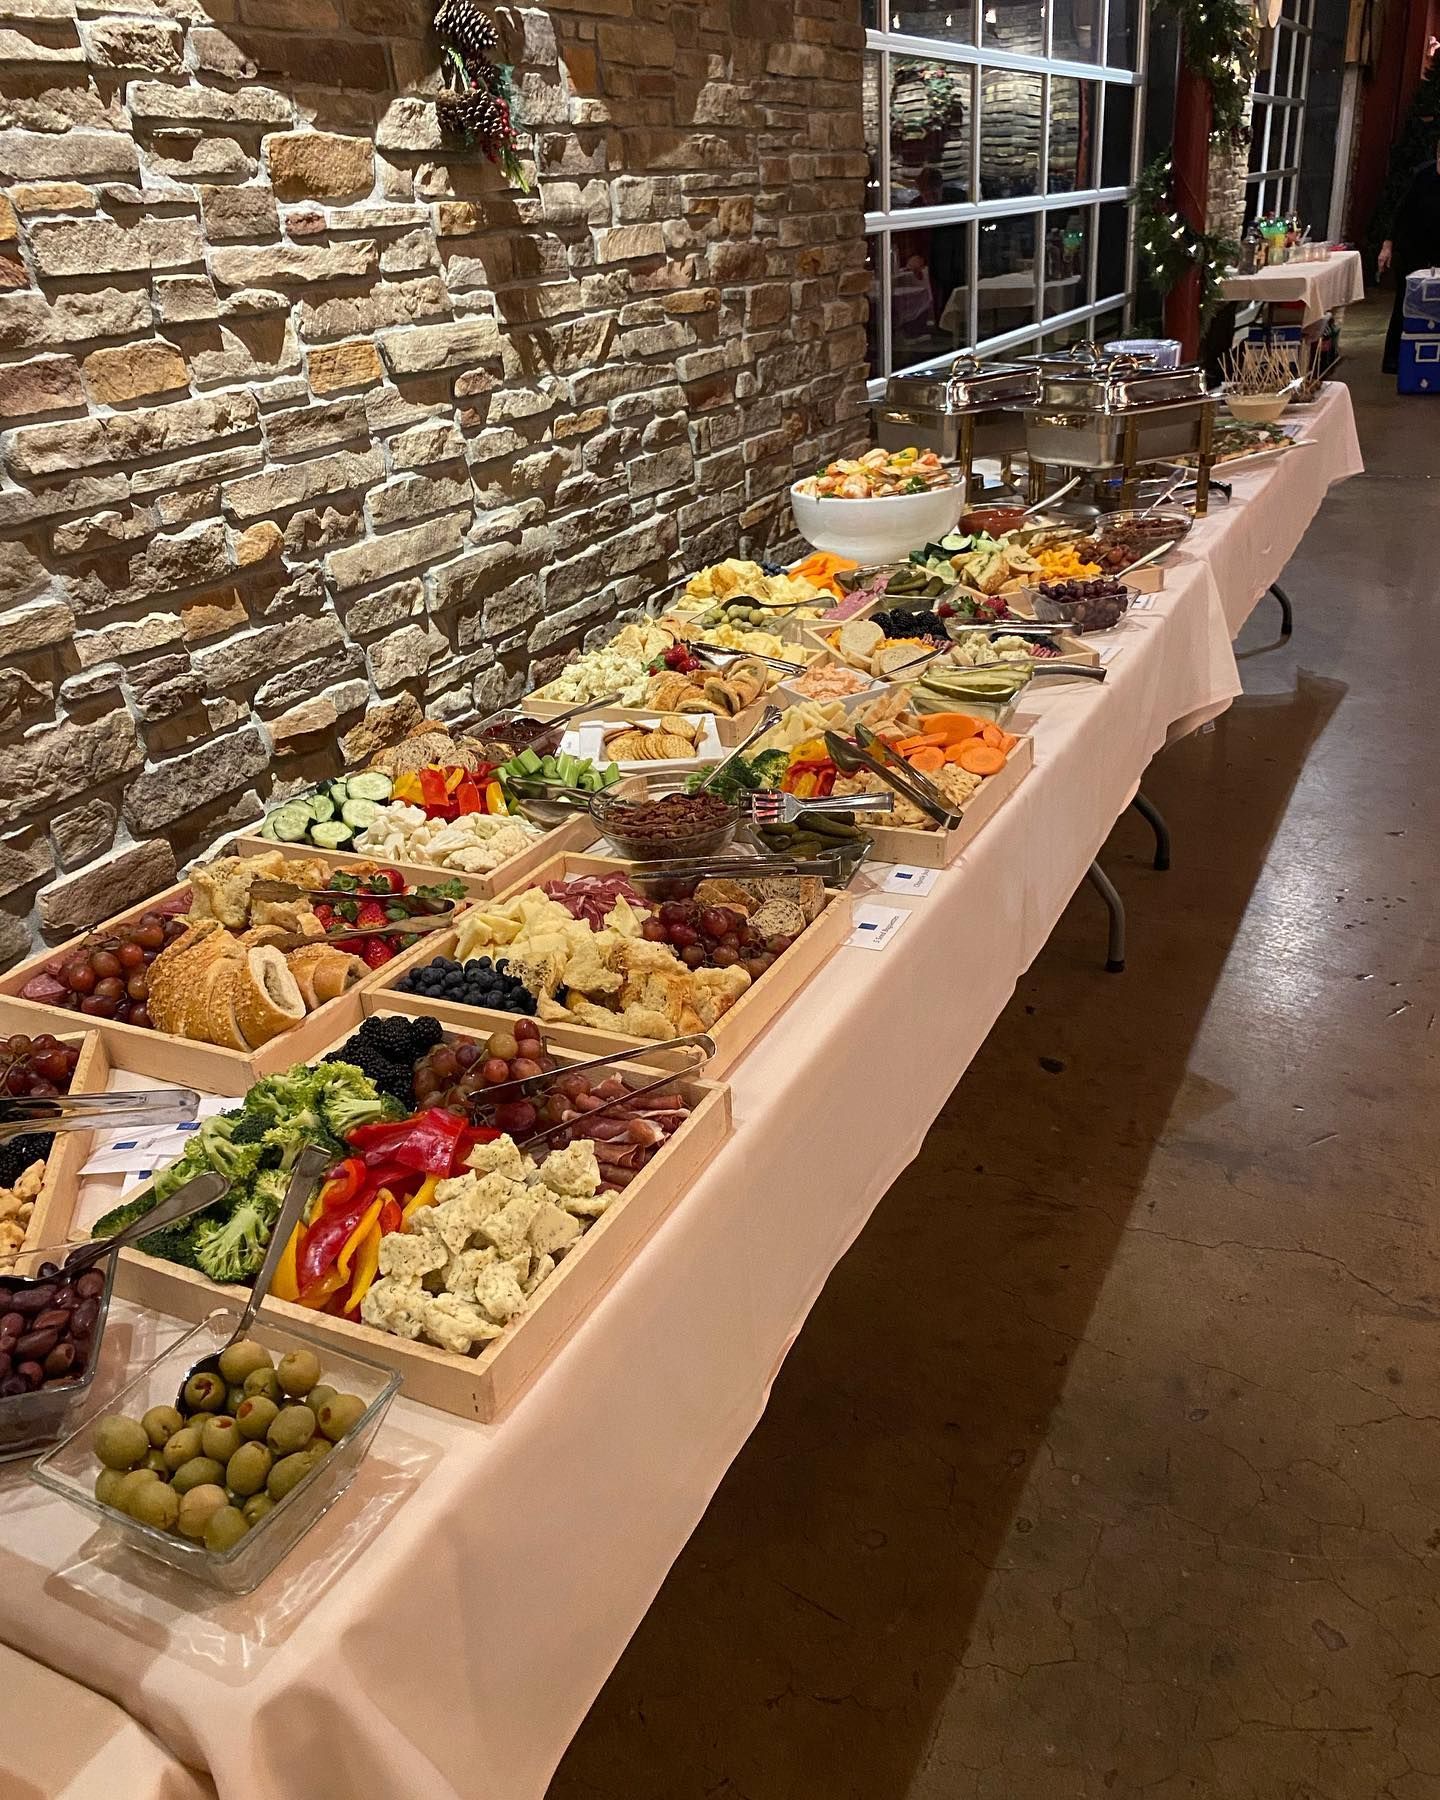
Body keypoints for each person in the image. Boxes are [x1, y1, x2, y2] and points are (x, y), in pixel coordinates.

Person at [1379, 138, 1440, 371]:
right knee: (1404, 302)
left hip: (1438, 248)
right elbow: (1401, 213)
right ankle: (1393, 359)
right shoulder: (1421, 176)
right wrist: (1388, 245)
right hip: (1413, 247)